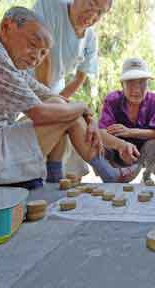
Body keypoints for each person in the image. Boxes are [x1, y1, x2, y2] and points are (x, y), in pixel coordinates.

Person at [0, 7, 132, 187]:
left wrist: (89, 116)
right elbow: (40, 113)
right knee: (61, 113)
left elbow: (58, 101)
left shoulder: (14, 69)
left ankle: (59, 175)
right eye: (33, 44)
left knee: (59, 106)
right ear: (6, 26)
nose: (36, 57)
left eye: (44, 53)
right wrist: (81, 108)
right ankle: (102, 173)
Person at [32, 0, 112, 182]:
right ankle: (105, 171)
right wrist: (51, 102)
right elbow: (43, 56)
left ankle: (56, 175)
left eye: (100, 12)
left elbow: (79, 78)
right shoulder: (50, 6)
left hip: (55, 90)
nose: (93, 15)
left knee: (68, 114)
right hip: (29, 85)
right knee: (64, 113)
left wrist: (59, 101)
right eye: (91, 4)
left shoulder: (90, 38)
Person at [98, 58, 155, 182]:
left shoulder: (154, 100)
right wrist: (121, 145)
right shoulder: (112, 100)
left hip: (141, 153)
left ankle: (147, 175)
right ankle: (108, 174)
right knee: (95, 140)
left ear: (148, 83)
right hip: (116, 152)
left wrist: (130, 132)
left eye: (141, 82)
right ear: (122, 84)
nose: (136, 89)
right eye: (130, 83)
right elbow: (101, 132)